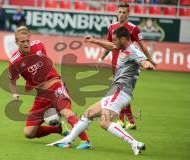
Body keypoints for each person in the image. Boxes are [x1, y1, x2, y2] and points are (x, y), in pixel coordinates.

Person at [47, 27, 155, 155]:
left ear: (123, 39)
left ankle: (135, 143)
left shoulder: (133, 52)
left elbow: (142, 60)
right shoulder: (122, 47)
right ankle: (68, 140)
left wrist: (147, 64)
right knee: (89, 113)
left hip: (121, 91)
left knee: (105, 122)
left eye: (115, 40)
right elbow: (111, 46)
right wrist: (94, 40)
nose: (113, 42)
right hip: (116, 91)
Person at [8, 26, 92, 149]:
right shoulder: (14, 62)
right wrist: (14, 93)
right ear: (16, 42)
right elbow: (11, 81)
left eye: (27, 41)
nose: (26, 44)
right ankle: (57, 129)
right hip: (41, 96)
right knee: (29, 133)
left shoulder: (38, 46)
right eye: (22, 42)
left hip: (56, 85)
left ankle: (86, 141)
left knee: (66, 112)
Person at [98, 2, 155, 130]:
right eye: (119, 12)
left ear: (128, 14)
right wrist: (101, 57)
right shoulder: (112, 27)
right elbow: (109, 44)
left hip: (128, 66)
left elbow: (142, 46)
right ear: (117, 12)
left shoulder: (134, 29)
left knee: (122, 91)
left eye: (124, 12)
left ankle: (127, 120)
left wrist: (150, 60)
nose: (121, 15)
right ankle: (124, 120)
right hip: (115, 64)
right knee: (119, 91)